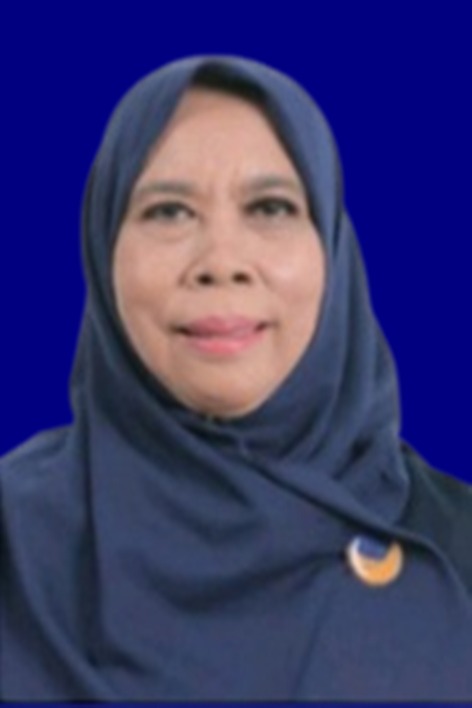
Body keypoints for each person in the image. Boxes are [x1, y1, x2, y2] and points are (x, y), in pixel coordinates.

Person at [1, 55, 471, 701]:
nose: (221, 261)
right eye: (169, 212)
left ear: (332, 250)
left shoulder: (457, 548)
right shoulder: (13, 543)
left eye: (271, 207)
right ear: (103, 248)